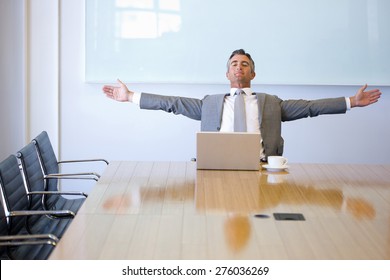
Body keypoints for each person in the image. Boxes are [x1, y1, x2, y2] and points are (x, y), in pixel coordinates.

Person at [102, 49, 382, 160]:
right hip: (215, 166)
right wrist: (130, 96)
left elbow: (310, 107)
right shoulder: (209, 104)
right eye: (234, 64)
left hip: (261, 168)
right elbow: (172, 103)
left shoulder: (272, 103)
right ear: (227, 74)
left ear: (252, 74)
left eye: (244, 64)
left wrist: (351, 102)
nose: (239, 68)